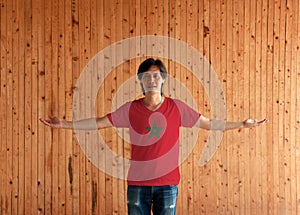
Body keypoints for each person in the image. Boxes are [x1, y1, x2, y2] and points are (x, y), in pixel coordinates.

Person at [40, 58, 267, 215]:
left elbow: (207, 124)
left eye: (156, 76)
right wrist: (64, 125)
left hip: (167, 186)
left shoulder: (176, 108)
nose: (152, 79)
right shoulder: (130, 109)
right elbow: (99, 122)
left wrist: (241, 124)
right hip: (137, 185)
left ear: (163, 79)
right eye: (147, 76)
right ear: (141, 80)